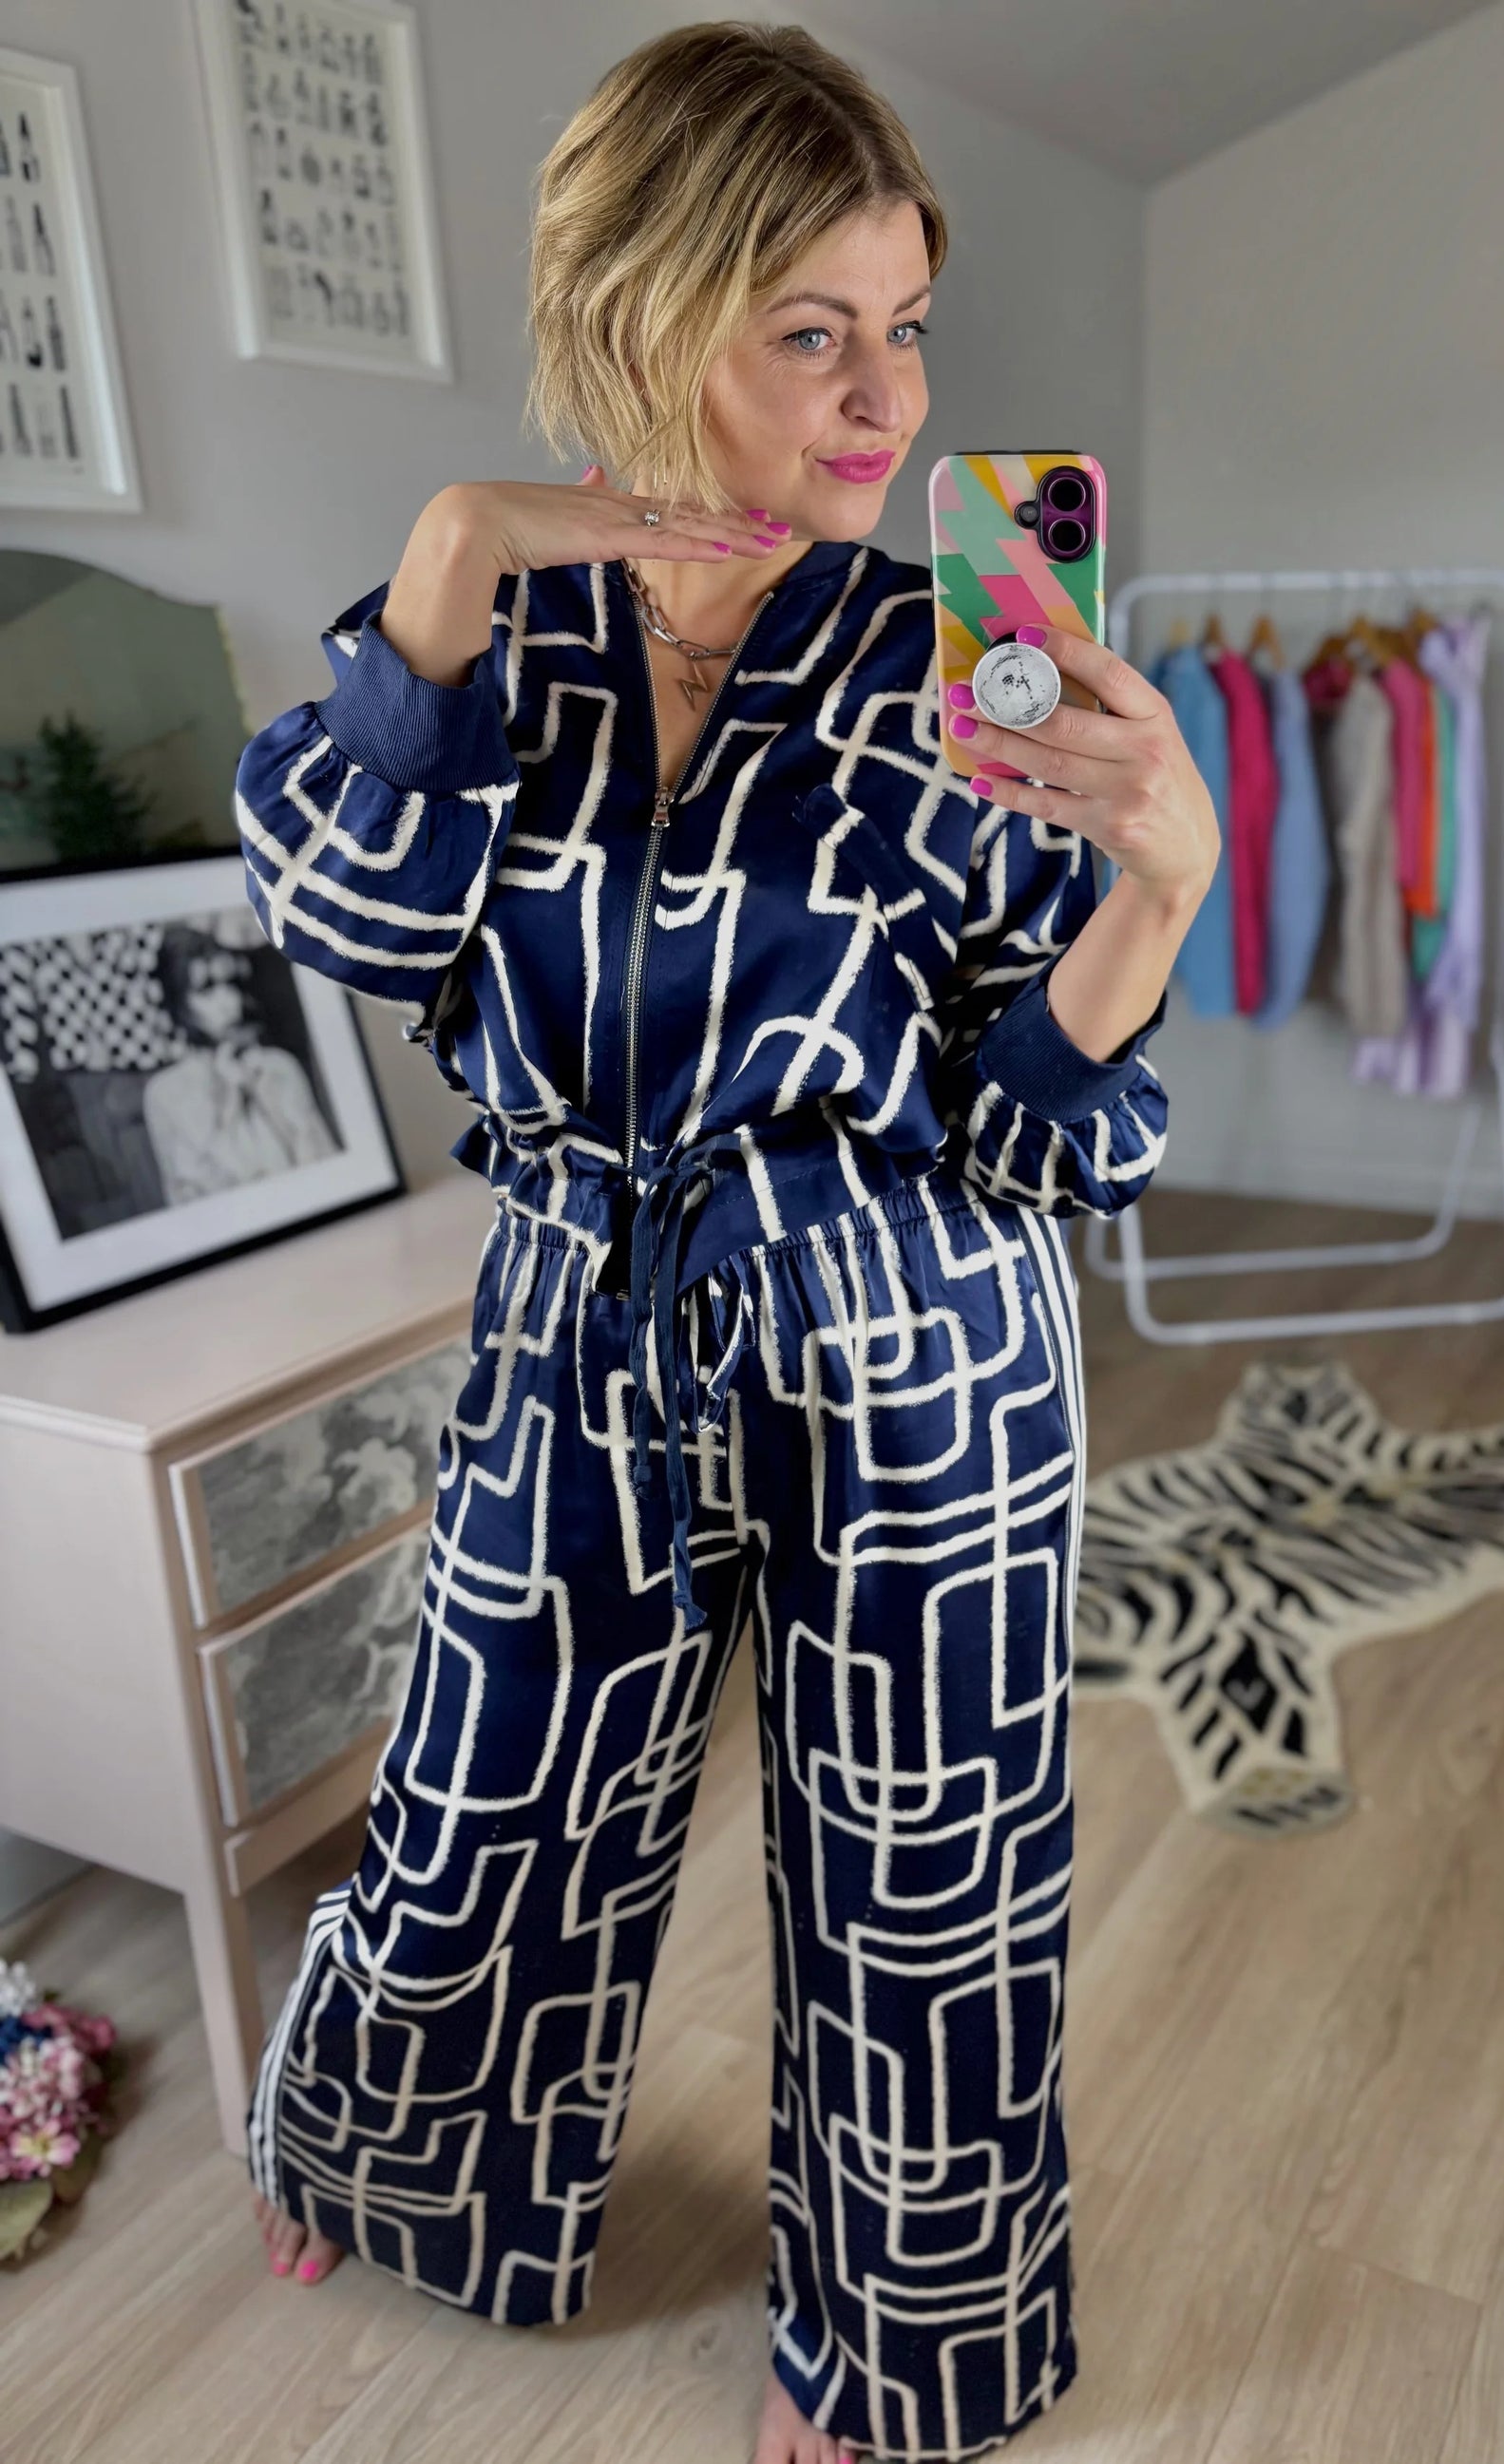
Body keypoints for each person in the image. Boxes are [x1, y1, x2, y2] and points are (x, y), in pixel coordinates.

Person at [233, 22, 1216, 2462]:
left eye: (905, 326)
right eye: (813, 328)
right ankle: (397, 2149)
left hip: (911, 1311)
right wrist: (457, 568)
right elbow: (350, 925)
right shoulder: (496, 632)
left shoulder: (953, 660)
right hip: (579, 1302)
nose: (882, 397)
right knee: (478, 1793)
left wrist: (1167, 878)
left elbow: (1029, 1120)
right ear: (656, 312)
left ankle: (901, 2337)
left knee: (928, 1863)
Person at [143, 922, 338, 1204]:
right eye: (207, 989)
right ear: (179, 1003)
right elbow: (201, 1198)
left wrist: (267, 1098)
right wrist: (231, 1100)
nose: (229, 1001)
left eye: (232, 983)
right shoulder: (166, 1093)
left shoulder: (278, 1066)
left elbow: (326, 1166)